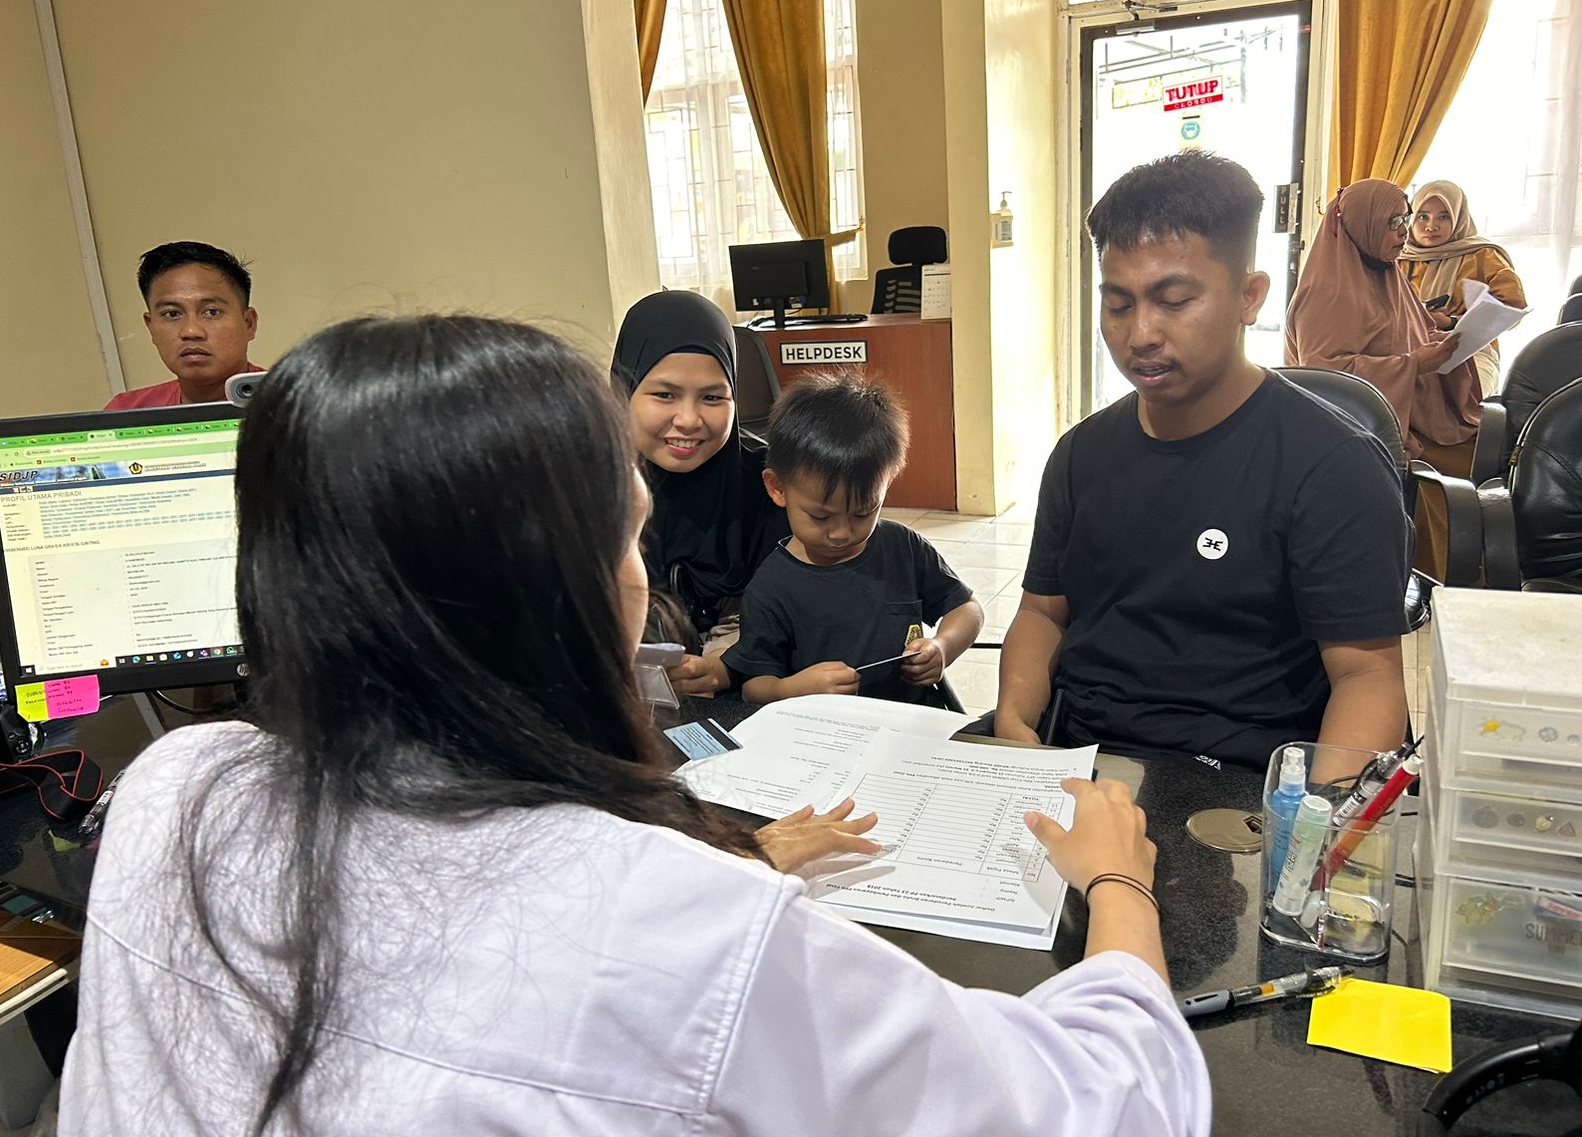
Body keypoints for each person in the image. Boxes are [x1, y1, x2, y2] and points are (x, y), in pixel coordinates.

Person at [61, 314, 1209, 1136]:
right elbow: (1102, 1103)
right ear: (566, 589)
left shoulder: (172, 788)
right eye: (626, 536)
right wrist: (1118, 883)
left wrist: (737, 855)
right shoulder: (691, 930)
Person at [992, 152, 1410, 769]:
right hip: (1082, 752)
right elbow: (1043, 613)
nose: (1141, 334)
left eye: (1174, 300)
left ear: (1249, 296)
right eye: (1118, 305)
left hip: (1238, 778)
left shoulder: (1334, 466)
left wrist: (1311, 816)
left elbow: (1366, 676)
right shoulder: (1080, 454)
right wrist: (1013, 721)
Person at [724, 371, 983, 705]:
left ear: (888, 482)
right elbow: (754, 687)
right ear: (777, 489)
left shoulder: (902, 547)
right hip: (824, 728)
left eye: (863, 512)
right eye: (821, 516)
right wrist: (794, 689)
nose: (842, 533)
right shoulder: (770, 587)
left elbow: (967, 609)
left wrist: (942, 646)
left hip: (908, 719)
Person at [1284, 179, 1482, 581]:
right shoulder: (1328, 292)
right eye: (1393, 222)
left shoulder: (1388, 275)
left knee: (1493, 455)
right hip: (1362, 433)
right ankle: (1451, 581)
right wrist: (1414, 365)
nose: (1404, 232)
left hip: (1412, 413)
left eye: (1405, 220)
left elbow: (1414, 330)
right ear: (1363, 224)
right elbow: (1325, 380)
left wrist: (1440, 343)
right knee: (1455, 479)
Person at [611, 291, 788, 697]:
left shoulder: (769, 484)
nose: (689, 420)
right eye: (664, 395)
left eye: (712, 397)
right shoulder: (585, 488)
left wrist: (731, 664)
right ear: (623, 392)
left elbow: (801, 609)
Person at [1400, 180, 1527, 396]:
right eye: (1423, 216)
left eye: (1443, 217)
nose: (1431, 226)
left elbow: (1511, 311)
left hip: (1471, 351)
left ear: (1459, 217)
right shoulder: (1397, 257)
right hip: (1407, 348)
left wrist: (1451, 322)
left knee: (1466, 399)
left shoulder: (1483, 255)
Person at [105, 241, 264, 410]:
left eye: (211, 312)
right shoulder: (125, 413)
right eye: (172, 314)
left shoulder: (284, 406)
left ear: (249, 323)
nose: (191, 331)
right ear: (150, 327)